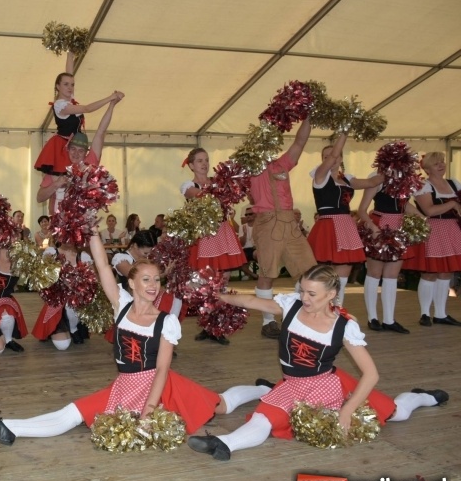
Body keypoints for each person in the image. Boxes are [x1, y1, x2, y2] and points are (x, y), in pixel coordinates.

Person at [0, 233, 270, 446]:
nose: (153, 286)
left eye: (156, 280)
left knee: (221, 406)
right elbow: (102, 267)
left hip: (163, 388)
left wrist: (148, 415)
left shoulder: (166, 323)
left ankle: (260, 389)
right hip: (125, 385)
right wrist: (94, 232)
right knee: (72, 413)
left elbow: (163, 371)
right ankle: (7, 426)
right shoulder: (122, 307)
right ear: (131, 283)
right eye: (146, 280)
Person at [187, 264, 449, 461]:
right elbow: (251, 301)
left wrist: (347, 410)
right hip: (292, 384)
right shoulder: (291, 306)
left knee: (397, 414)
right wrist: (220, 296)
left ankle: (422, 397)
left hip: (328, 386)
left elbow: (371, 374)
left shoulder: (343, 326)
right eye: (302, 291)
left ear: (332, 294)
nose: (305, 298)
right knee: (264, 418)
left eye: (312, 294)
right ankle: (223, 444)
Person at [249, 118, 316, 339]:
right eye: (262, 142)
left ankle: (305, 316)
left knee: (309, 271)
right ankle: (269, 322)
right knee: (268, 272)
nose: (267, 147)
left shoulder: (282, 164)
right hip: (267, 222)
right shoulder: (249, 167)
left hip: (290, 222)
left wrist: (309, 119)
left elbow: (300, 141)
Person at [307, 134, 384, 307]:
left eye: (333, 155)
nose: (330, 158)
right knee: (318, 270)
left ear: (341, 158)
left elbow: (372, 181)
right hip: (327, 224)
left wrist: (391, 166)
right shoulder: (320, 176)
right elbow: (333, 157)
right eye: (325, 157)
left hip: (346, 225)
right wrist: (344, 132)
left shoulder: (347, 178)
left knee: (344, 270)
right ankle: (306, 304)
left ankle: (336, 308)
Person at [181, 147, 246, 344]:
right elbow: (202, 198)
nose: (204, 163)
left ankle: (217, 327)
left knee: (223, 279)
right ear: (191, 165)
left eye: (206, 160)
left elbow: (229, 199)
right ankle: (207, 324)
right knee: (206, 282)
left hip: (222, 232)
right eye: (199, 160)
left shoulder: (218, 183)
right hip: (205, 235)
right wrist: (222, 189)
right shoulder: (188, 185)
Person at [33, 50, 123, 176]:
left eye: (72, 85)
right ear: (57, 86)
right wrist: (110, 97)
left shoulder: (69, 99)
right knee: (61, 177)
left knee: (75, 176)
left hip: (73, 144)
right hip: (63, 145)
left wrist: (71, 53)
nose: (70, 87)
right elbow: (87, 109)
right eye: (66, 84)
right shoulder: (60, 105)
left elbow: (69, 73)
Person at [357, 166, 423, 334]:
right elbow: (362, 209)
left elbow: (404, 205)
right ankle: (372, 317)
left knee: (392, 276)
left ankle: (389, 319)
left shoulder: (406, 181)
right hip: (379, 227)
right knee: (374, 273)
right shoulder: (377, 179)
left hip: (398, 229)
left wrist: (421, 218)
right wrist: (372, 227)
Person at [401, 152, 461, 326]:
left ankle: (441, 313)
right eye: (436, 164)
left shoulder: (453, 183)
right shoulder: (423, 185)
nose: (441, 165)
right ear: (426, 168)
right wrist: (452, 204)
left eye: (442, 162)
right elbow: (429, 211)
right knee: (430, 273)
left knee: (446, 272)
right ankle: (425, 313)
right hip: (433, 229)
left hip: (452, 229)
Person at [37, 96, 121, 214]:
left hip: (84, 225)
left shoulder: (90, 162)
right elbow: (39, 198)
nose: (76, 154)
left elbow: (101, 131)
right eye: (73, 149)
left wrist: (112, 105)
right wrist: (56, 184)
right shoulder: (56, 168)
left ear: (86, 152)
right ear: (68, 149)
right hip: (59, 226)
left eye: (80, 151)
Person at [32, 243, 93, 349]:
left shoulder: (82, 256)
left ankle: (74, 329)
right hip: (57, 302)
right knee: (62, 345)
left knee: (74, 305)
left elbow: (91, 278)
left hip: (78, 300)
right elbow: (44, 278)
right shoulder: (51, 253)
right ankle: (56, 329)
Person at [237, 207, 258, 280]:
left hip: (257, 249)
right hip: (245, 249)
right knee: (238, 261)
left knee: (258, 254)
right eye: (246, 215)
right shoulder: (242, 227)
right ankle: (254, 275)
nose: (248, 216)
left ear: (255, 215)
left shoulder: (260, 226)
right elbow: (242, 244)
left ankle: (264, 274)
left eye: (250, 214)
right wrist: (245, 235)